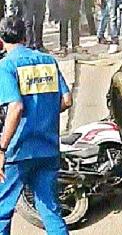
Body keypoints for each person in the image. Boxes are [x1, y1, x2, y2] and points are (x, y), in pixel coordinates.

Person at [0, 16, 71, 235]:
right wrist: (45, 114)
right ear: (25, 35)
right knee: (50, 211)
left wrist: (1, 148)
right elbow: (67, 100)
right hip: (48, 147)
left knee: (2, 211)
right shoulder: (48, 61)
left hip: (18, 151)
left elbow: (16, 108)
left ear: (1, 40)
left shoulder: (6, 65)